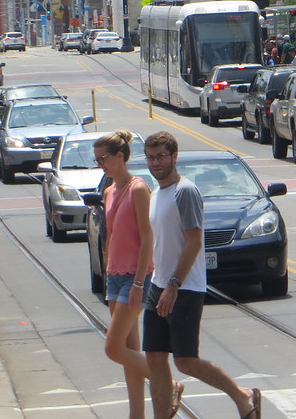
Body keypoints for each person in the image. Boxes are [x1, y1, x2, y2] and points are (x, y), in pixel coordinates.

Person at [142, 131, 261, 419]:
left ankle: (241, 395)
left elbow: (194, 241)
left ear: (174, 157)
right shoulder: (156, 193)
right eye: (150, 157)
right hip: (158, 285)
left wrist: (173, 284)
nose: (155, 163)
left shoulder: (185, 191)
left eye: (160, 156)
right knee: (155, 358)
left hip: (183, 287)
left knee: (185, 361)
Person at [94, 130, 184, 419]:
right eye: (97, 161)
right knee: (128, 353)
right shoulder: (109, 191)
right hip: (114, 275)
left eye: (104, 159)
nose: (101, 165)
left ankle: (168, 384)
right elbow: (111, 235)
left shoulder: (138, 188)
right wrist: (108, 269)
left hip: (136, 277)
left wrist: (137, 283)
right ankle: (137, 415)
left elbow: (147, 238)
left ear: (120, 157)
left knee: (112, 347)